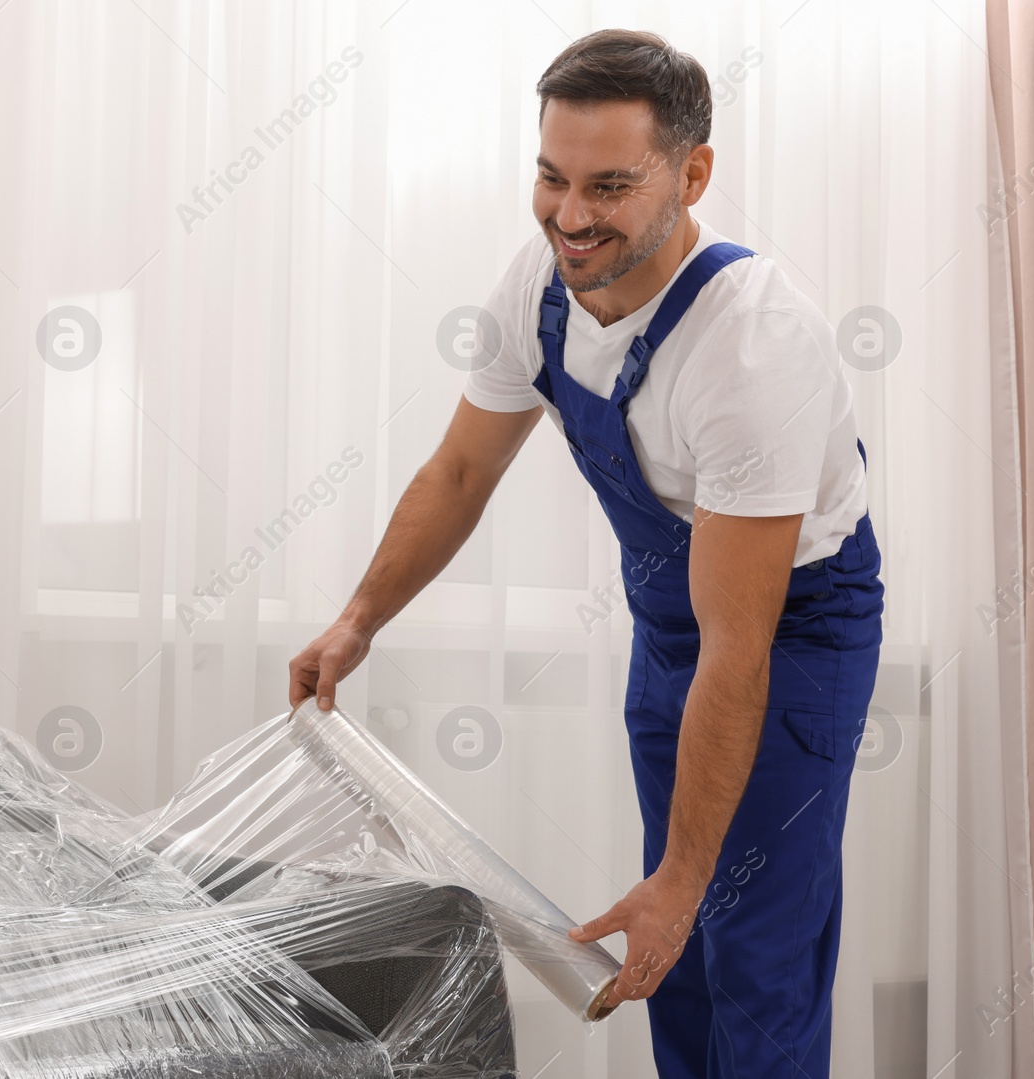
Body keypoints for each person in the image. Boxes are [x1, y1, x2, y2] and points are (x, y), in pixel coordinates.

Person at [287, 27, 883, 1079]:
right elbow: (460, 473)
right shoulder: (543, 282)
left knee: (750, 943)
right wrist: (357, 618)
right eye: (551, 178)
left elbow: (737, 651)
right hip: (671, 621)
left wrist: (684, 872)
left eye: (608, 186)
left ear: (692, 173)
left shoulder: (751, 350)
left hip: (791, 632)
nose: (570, 216)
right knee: (676, 949)